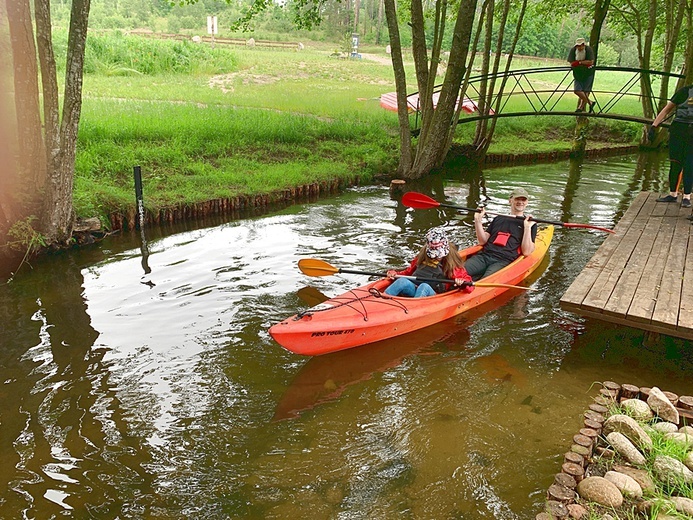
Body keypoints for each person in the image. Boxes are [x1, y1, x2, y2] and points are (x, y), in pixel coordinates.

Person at [464, 187, 537, 281]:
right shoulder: (499, 218)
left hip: (504, 261)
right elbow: (483, 241)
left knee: (486, 281)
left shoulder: (530, 224)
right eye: (517, 199)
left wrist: (527, 227)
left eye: (523, 199)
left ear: (527, 202)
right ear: (510, 200)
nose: (520, 202)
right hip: (484, 256)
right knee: (457, 272)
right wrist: (478, 220)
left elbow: (526, 252)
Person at [384, 227, 473, 297]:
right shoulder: (422, 256)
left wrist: (462, 282)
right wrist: (395, 274)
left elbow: (469, 284)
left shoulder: (451, 262)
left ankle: (414, 311)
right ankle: (383, 299)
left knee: (424, 287)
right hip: (415, 288)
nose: (436, 257)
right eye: (434, 254)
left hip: (434, 294)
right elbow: (408, 273)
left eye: (439, 254)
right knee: (402, 281)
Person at [649, 84, 693, 209]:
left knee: (689, 165)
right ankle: (673, 194)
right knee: (675, 163)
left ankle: (686, 197)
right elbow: (667, 109)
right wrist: (654, 125)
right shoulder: (684, 91)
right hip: (678, 131)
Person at [567, 37, 596, 113]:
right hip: (578, 74)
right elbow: (571, 62)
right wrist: (581, 63)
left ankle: (580, 108)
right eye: (577, 46)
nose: (579, 48)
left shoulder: (588, 50)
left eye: (580, 46)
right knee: (577, 90)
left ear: (583, 45)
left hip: (588, 73)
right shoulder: (573, 50)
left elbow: (591, 62)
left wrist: (579, 62)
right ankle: (590, 103)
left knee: (586, 91)